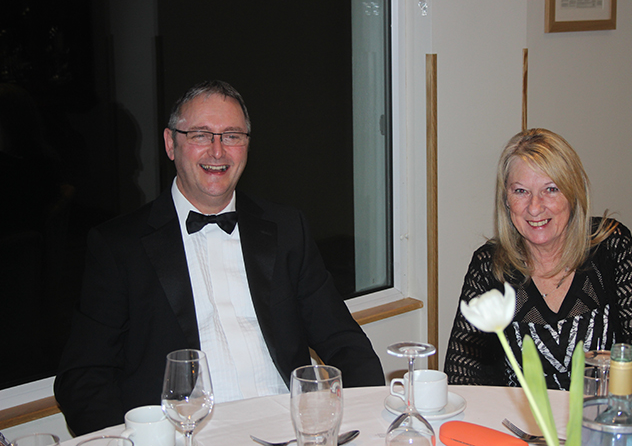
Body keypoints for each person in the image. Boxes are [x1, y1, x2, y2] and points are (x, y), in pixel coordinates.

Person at [54, 80, 385, 435]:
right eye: (200, 135)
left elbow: (345, 342)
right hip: (186, 436)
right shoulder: (119, 246)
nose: (217, 151)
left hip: (290, 428)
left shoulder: (287, 229)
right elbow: (83, 379)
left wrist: (365, 423)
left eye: (232, 136)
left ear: (247, 145)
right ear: (170, 143)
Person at [444, 128, 632, 403]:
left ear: (573, 193)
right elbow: (462, 374)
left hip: (612, 416)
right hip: (525, 422)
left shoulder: (611, 247)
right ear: (506, 200)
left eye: (550, 189)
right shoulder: (490, 266)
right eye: (521, 191)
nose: (535, 207)